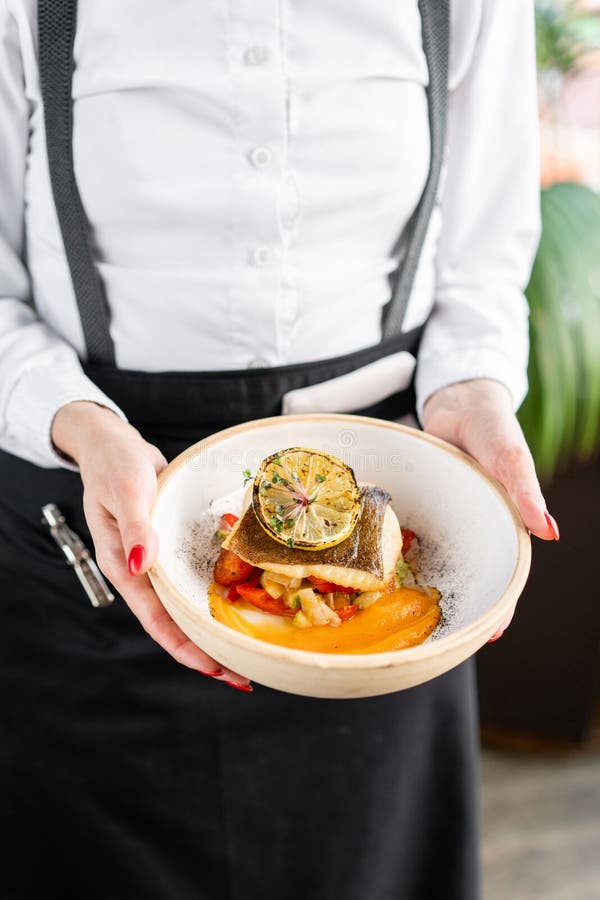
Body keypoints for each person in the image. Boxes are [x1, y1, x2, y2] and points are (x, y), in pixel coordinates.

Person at [0, 1, 558, 898]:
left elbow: (484, 260)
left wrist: (473, 387)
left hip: (393, 533)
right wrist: (78, 422)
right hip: (97, 520)